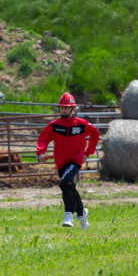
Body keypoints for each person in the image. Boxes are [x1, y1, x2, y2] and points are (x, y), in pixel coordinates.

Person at [37, 93, 100, 229]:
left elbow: (95, 133)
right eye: (62, 107)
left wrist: (87, 153)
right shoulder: (54, 125)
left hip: (75, 160)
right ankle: (82, 212)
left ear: (73, 109)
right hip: (61, 162)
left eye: (67, 107)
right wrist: (41, 152)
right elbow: (43, 139)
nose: (64, 109)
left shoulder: (82, 125)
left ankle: (68, 216)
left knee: (65, 183)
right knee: (69, 185)